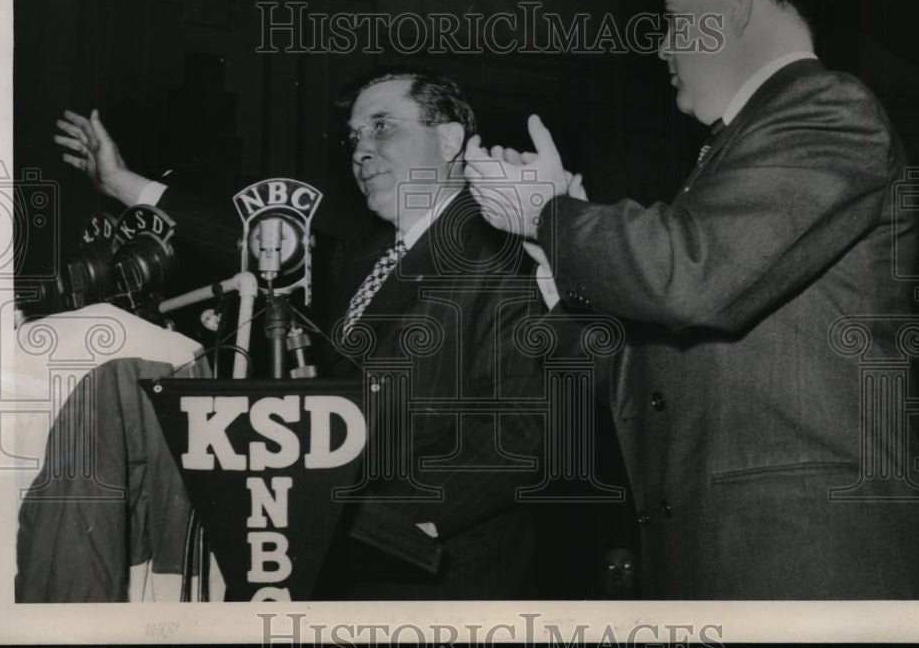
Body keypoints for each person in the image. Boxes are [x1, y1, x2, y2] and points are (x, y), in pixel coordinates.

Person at [464, 0, 919, 599]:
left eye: (671, 21)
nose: (662, 46)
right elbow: (660, 370)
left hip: (813, 568)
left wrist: (553, 214)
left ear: (734, 9)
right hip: (736, 566)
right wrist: (554, 255)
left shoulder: (830, 110)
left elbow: (688, 278)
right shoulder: (739, 151)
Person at [53, 73, 549, 599]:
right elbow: (265, 240)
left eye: (383, 127)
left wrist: (382, 519)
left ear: (449, 141)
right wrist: (121, 183)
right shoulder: (367, 257)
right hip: (340, 559)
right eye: (354, 136)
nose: (361, 151)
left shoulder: (510, 252)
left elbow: (525, 433)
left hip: (442, 578)